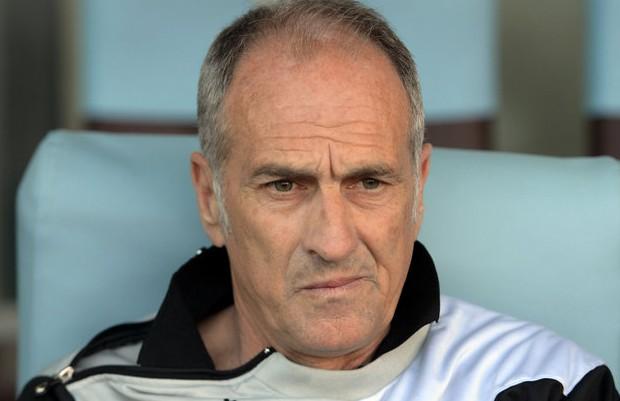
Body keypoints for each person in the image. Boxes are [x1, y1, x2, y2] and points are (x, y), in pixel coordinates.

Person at [18, 0, 619, 400]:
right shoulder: (90, 394)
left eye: (369, 183)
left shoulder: (543, 385)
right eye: (284, 186)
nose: (333, 242)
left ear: (418, 189)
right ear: (210, 198)